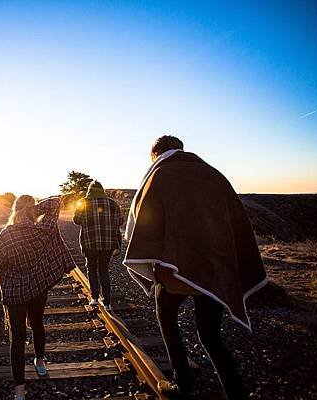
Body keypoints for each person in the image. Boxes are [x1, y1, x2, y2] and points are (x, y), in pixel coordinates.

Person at [123, 135, 268, 400]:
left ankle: (182, 383)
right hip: (212, 270)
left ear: (155, 154)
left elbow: (142, 225)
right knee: (210, 335)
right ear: (180, 149)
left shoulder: (159, 175)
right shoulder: (214, 175)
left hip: (173, 272)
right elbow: (235, 222)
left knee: (167, 319)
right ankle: (236, 393)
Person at [0, 195, 75, 400]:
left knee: (17, 337)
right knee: (37, 323)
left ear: (14, 210)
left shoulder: (6, 235)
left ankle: (19, 390)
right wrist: (32, 210)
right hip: (38, 288)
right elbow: (55, 202)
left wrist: (23, 211)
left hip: (15, 294)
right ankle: (40, 362)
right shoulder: (43, 229)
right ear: (32, 210)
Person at [73, 180, 124, 311]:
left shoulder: (83, 202)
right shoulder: (112, 203)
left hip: (90, 242)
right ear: (102, 190)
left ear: (89, 190)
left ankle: (94, 298)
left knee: (91, 268)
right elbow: (121, 221)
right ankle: (107, 303)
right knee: (104, 271)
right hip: (108, 243)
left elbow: (76, 220)